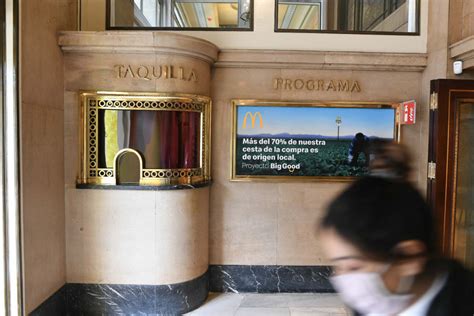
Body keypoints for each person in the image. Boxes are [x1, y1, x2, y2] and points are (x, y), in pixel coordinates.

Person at [319, 144, 474, 316]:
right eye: (337, 266)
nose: (343, 280)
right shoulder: (374, 305)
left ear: (408, 257)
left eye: (354, 267)